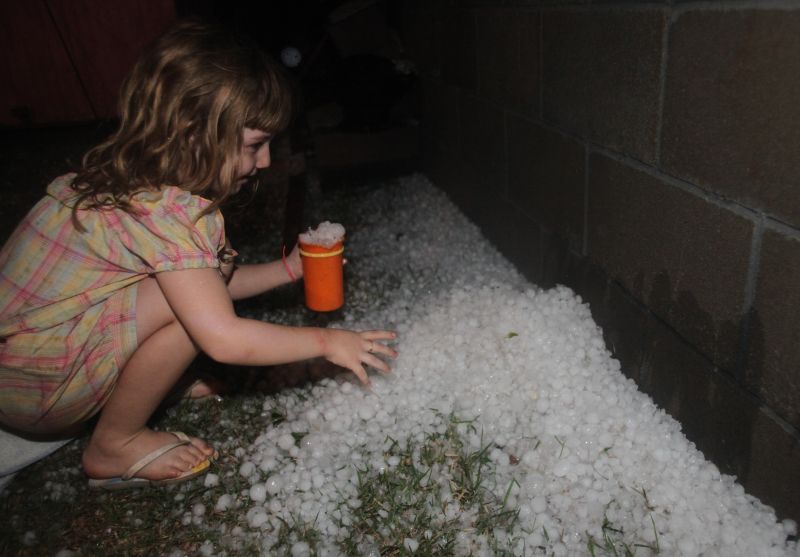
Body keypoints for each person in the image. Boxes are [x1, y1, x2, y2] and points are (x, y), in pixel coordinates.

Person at [0, 21, 397, 489]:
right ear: (193, 134)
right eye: (255, 145)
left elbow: (207, 283)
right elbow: (223, 338)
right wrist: (328, 343)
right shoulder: (173, 215)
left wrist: (289, 269)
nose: (266, 162)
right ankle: (114, 443)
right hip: (39, 390)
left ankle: (150, 386)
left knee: (196, 294)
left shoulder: (129, 186)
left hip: (20, 368)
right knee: (197, 315)